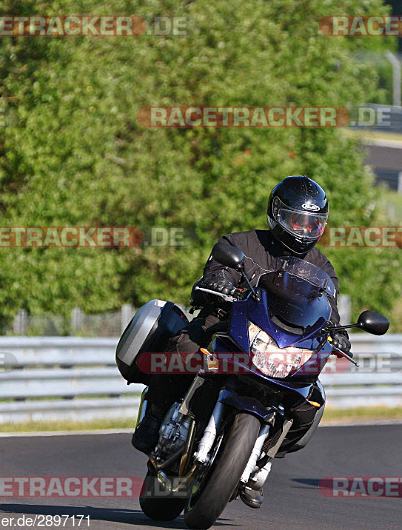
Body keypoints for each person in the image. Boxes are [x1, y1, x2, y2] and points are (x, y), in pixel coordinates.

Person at [131, 175, 350, 507]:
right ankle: (156, 413)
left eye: (313, 223)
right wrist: (218, 283)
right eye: (297, 220)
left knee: (311, 399)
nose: (304, 230)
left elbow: (328, 308)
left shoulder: (321, 266)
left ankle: (261, 458)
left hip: (281, 344)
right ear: (276, 214)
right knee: (186, 349)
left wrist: (339, 333)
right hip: (230, 326)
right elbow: (219, 268)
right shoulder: (242, 243)